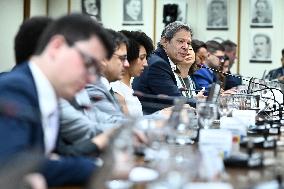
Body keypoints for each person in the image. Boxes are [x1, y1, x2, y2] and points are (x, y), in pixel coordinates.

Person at [0, 14, 113, 187]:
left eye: (96, 71)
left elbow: (50, 160)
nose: (91, 79)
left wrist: (42, 167)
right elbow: (13, 165)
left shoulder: (49, 93)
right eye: (88, 63)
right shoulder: (16, 87)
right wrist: (102, 168)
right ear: (56, 46)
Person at [132, 21, 196, 114]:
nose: (186, 47)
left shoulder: (161, 60)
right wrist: (209, 103)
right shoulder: (157, 65)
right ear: (164, 41)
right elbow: (178, 101)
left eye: (188, 43)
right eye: (181, 41)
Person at [111, 30, 154, 117]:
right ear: (128, 57)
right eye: (141, 58)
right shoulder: (116, 89)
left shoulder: (128, 86)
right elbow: (126, 124)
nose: (145, 64)